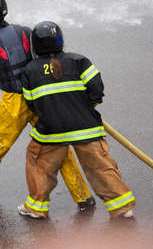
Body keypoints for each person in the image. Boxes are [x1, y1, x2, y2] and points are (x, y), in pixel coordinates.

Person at [0, 0, 95, 210]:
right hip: (39, 96)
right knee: (59, 146)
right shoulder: (26, 32)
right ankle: (83, 197)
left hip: (14, 102)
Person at [17, 21, 135, 219]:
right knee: (100, 166)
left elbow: (31, 103)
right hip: (86, 127)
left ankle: (36, 208)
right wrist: (84, 109)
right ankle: (123, 208)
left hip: (51, 132)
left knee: (38, 164)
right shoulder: (80, 60)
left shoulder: (30, 70)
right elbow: (97, 90)